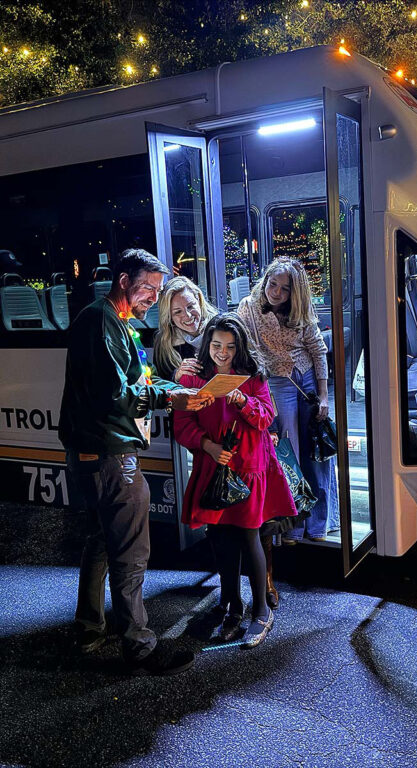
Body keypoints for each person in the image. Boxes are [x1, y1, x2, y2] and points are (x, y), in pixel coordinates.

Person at [60, 249, 214, 675]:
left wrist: (175, 389)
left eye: (158, 290)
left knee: (102, 539)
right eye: (148, 287)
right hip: (110, 453)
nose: (153, 297)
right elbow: (117, 394)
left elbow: (139, 380)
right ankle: (140, 645)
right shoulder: (102, 321)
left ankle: (90, 627)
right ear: (124, 281)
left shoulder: (118, 321)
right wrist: (172, 396)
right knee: (130, 549)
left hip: (96, 452)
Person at [174, 313, 296, 647]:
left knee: (248, 536)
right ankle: (232, 606)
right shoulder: (194, 379)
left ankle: (261, 611)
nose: (222, 352)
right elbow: (182, 423)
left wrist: (242, 400)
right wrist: (207, 445)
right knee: (219, 537)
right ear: (207, 345)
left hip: (249, 467)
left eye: (229, 346)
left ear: (239, 346)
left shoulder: (252, 376)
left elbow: (266, 416)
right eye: (215, 345)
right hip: (214, 466)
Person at [238, 258, 338, 545]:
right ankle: (292, 526)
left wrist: (323, 395)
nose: (276, 292)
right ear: (265, 280)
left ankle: (320, 524)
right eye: (273, 284)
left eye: (284, 289)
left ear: (295, 293)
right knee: (287, 453)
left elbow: (319, 352)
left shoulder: (301, 312)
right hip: (275, 382)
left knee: (316, 452)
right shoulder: (248, 308)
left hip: (305, 378)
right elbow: (240, 343)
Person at [153, 275, 218, 381]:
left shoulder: (221, 327)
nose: (188, 315)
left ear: (199, 300)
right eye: (178, 312)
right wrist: (176, 376)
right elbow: (160, 384)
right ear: (169, 316)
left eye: (191, 306)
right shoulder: (163, 342)